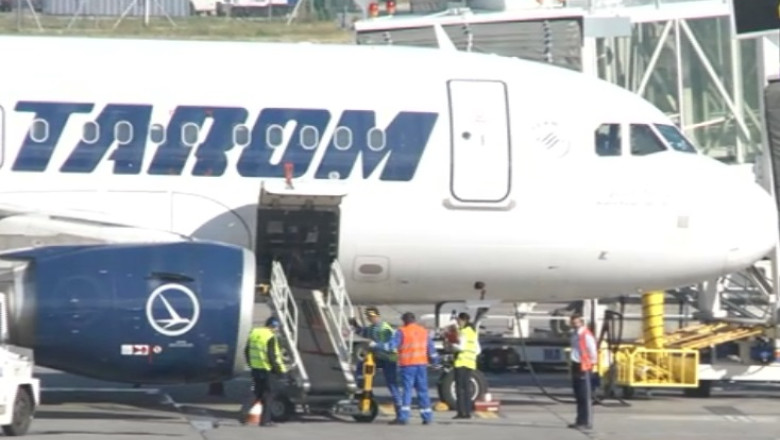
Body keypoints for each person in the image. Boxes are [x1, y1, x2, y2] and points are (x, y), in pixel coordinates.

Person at [379, 312, 439, 425]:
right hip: (421, 365)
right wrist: (436, 362)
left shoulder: (402, 331)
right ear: (414, 320)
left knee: (407, 391)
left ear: (404, 321)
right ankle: (427, 417)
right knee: (423, 390)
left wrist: (377, 346)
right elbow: (431, 350)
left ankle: (404, 416)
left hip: (408, 365)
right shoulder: (423, 331)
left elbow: (391, 346)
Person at [349, 307, 402, 421]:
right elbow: (363, 332)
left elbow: (391, 345)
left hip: (389, 357)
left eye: (372, 317)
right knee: (362, 366)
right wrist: (355, 325)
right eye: (369, 318)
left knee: (391, 383)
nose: (370, 319)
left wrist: (376, 345)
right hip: (378, 356)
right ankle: (364, 387)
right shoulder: (372, 328)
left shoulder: (385, 328)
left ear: (377, 316)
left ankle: (400, 409)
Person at [245, 317, 288, 427]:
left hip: (255, 369)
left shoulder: (254, 333)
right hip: (268, 370)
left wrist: (251, 365)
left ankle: (243, 415)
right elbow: (272, 356)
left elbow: (246, 351)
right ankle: (265, 421)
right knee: (269, 395)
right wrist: (280, 372)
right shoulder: (270, 337)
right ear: (274, 326)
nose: (277, 330)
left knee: (256, 393)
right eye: (276, 327)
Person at [568, 312, 597, 430]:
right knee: (578, 395)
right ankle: (579, 420)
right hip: (575, 364)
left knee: (584, 395)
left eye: (577, 322)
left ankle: (586, 421)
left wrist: (591, 364)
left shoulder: (586, 335)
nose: (575, 325)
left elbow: (592, 351)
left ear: (581, 322)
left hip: (584, 366)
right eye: (573, 323)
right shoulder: (574, 335)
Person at [450, 312, 479, 419]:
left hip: (461, 362)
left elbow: (461, 347)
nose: (458, 322)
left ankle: (461, 412)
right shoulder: (473, 332)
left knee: (460, 389)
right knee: (467, 389)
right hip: (470, 363)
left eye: (458, 320)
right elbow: (477, 349)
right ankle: (468, 412)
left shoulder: (463, 332)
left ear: (463, 320)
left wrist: (452, 346)